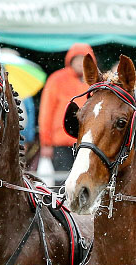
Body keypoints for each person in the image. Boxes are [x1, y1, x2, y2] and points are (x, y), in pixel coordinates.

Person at [37, 43, 96, 176]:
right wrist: (46, 143)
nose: (80, 63)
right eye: (77, 59)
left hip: (88, 143)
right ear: (70, 61)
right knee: (63, 181)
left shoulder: (95, 81)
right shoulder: (57, 79)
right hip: (61, 143)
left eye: (84, 59)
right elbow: (46, 113)